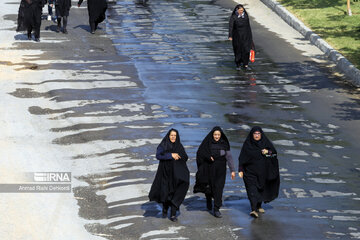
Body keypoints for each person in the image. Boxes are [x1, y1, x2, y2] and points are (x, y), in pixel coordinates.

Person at [193, 126, 236, 218]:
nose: (217, 136)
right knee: (210, 187)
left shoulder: (224, 143)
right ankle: (208, 199)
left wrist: (232, 170)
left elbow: (229, 157)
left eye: (218, 135)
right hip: (209, 167)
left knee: (219, 188)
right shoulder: (207, 143)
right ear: (212, 135)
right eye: (215, 134)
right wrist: (208, 156)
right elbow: (200, 153)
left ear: (221, 135)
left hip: (221, 169)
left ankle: (216, 209)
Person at [148, 129, 190, 222]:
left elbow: (185, 157)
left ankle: (173, 214)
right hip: (165, 173)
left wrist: (178, 155)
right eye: (171, 135)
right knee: (166, 192)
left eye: (175, 135)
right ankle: (165, 207)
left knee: (178, 190)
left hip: (177, 174)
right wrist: (170, 155)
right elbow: (158, 155)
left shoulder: (179, 146)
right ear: (168, 136)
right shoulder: (163, 145)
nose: (173, 137)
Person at [238, 126, 280, 218]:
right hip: (249, 173)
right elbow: (242, 158)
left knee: (261, 189)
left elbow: (274, 153)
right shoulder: (248, 145)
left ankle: (259, 206)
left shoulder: (265, 143)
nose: (257, 135)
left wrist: (267, 152)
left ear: (261, 134)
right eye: (255, 134)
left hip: (263, 173)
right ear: (252, 135)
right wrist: (240, 170)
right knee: (252, 190)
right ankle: (253, 209)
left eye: (258, 134)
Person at [228, 4, 254, 70]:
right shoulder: (233, 17)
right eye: (240, 10)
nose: (241, 12)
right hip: (237, 36)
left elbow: (248, 27)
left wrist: (250, 37)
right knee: (238, 50)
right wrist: (230, 36)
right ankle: (238, 64)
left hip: (246, 36)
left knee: (246, 50)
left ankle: (246, 64)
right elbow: (231, 27)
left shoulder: (245, 16)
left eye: (242, 10)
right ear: (237, 10)